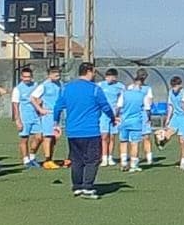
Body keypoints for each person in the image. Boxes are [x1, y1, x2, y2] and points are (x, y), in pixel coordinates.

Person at [52, 62, 118, 198]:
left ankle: (77, 186)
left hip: (73, 132)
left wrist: (56, 124)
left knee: (76, 160)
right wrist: (113, 118)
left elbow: (58, 107)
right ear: (89, 71)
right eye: (93, 71)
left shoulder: (67, 88)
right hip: (90, 132)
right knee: (92, 160)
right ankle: (87, 187)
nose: (94, 74)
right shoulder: (95, 89)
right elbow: (105, 106)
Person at [116, 69, 153, 173]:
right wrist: (149, 119)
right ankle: (134, 165)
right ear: (140, 86)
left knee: (123, 142)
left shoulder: (124, 93)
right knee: (134, 143)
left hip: (124, 121)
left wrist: (116, 117)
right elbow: (147, 109)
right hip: (136, 122)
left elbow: (118, 107)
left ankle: (123, 163)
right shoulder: (142, 95)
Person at [29, 66, 64, 169]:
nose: (58, 76)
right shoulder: (44, 86)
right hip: (48, 114)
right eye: (55, 74)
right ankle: (47, 160)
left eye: (59, 74)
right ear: (49, 75)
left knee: (54, 137)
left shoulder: (61, 85)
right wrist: (40, 109)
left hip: (57, 114)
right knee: (47, 137)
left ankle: (50, 159)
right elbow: (32, 98)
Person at [12, 67, 41, 168]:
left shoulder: (36, 86)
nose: (27, 79)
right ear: (21, 77)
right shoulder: (17, 89)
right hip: (24, 117)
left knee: (39, 137)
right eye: (25, 77)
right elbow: (15, 105)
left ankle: (32, 156)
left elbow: (40, 98)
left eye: (29, 77)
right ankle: (26, 159)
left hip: (36, 116)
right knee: (24, 139)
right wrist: (17, 120)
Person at [98, 68, 125, 167]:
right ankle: (104, 157)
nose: (108, 78)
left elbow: (121, 101)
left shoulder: (120, 87)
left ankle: (110, 157)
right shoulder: (100, 85)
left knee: (112, 137)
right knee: (104, 136)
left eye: (110, 77)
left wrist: (118, 114)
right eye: (107, 76)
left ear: (115, 77)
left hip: (115, 115)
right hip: (103, 115)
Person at [162, 76, 184, 148]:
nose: (174, 88)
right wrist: (168, 119)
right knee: (167, 134)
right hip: (176, 116)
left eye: (175, 86)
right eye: (172, 86)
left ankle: (183, 158)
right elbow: (170, 106)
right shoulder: (171, 93)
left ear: (180, 85)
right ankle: (161, 144)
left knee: (182, 140)